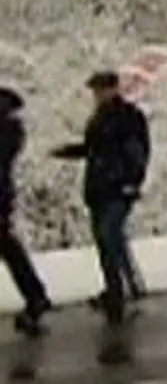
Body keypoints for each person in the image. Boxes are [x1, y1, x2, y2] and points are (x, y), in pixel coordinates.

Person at [51, 72, 150, 327]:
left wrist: (133, 182)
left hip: (118, 188)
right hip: (98, 188)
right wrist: (67, 151)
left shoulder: (128, 117)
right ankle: (117, 288)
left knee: (109, 234)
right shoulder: (98, 119)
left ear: (113, 89)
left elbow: (137, 152)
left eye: (100, 90)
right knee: (106, 241)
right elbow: (92, 149)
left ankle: (119, 291)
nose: (96, 95)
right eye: (95, 91)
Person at [0, 88, 51, 337]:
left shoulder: (7, 130)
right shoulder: (11, 130)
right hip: (2, 195)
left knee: (9, 248)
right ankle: (36, 296)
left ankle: (36, 296)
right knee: (9, 248)